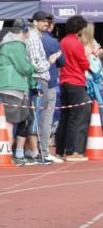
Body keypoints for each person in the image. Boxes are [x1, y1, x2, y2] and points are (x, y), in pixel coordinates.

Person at [0, 20, 39, 166]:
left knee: (16, 121)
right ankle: (6, 153)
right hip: (12, 86)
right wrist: (33, 67)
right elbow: (23, 67)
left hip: (15, 86)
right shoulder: (16, 44)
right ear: (24, 30)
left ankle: (12, 153)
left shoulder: (12, 43)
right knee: (10, 121)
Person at [55, 15, 92, 161]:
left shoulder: (63, 41)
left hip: (64, 81)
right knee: (75, 118)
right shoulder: (76, 43)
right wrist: (87, 54)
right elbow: (85, 65)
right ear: (80, 29)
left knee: (64, 117)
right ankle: (71, 152)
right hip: (76, 82)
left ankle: (59, 150)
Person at [32, 12, 65, 162]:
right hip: (47, 81)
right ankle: (44, 152)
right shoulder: (52, 42)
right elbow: (62, 62)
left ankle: (27, 151)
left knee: (30, 118)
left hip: (31, 81)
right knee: (45, 119)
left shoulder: (29, 37)